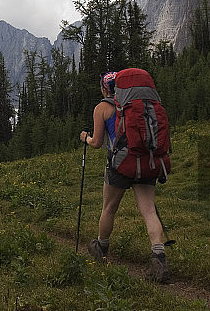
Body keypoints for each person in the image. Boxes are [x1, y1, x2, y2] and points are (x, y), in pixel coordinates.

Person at [79, 71, 169, 283]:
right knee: (148, 211)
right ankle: (159, 256)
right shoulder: (138, 106)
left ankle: (101, 246)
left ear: (104, 89)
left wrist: (85, 138)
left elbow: (97, 142)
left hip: (119, 165)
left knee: (109, 208)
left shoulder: (103, 108)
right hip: (145, 162)